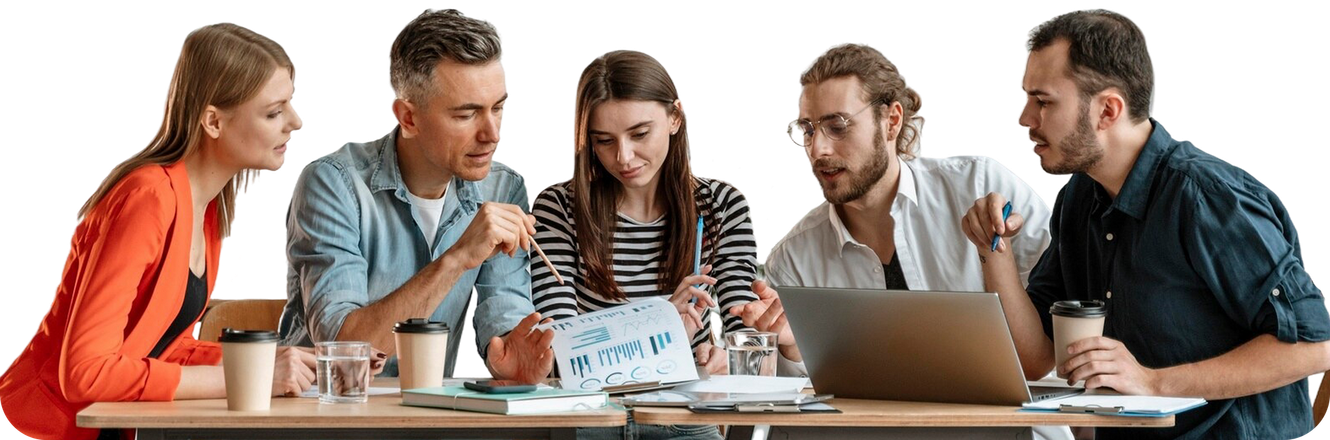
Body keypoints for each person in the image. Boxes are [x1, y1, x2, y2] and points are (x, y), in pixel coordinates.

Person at [960, 8, 1330, 439]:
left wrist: (1154, 384)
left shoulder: (1206, 197)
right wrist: (993, 248)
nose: (1025, 118)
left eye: (1043, 101)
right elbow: (1035, 357)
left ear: (1108, 110)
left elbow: (1314, 346)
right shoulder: (1079, 198)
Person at [729, 42, 1070, 440]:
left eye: (837, 126)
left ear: (891, 121)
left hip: (1007, 430)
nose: (818, 149)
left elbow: (1064, 321)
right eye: (807, 130)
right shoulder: (793, 259)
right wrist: (790, 349)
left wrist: (998, 255)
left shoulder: (981, 186)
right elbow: (784, 413)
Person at [0, 22, 315, 440]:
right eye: (274, 112)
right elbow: (85, 372)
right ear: (213, 121)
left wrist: (273, 361)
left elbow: (161, 348)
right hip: (43, 428)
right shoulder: (148, 198)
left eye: (290, 105)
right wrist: (250, 378)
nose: (296, 122)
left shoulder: (205, 209)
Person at [278, 8, 553, 384]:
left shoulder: (503, 188)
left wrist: (510, 351)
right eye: (466, 115)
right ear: (408, 117)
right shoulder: (334, 184)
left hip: (427, 409)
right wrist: (456, 259)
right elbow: (343, 351)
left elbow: (505, 310)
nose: (492, 134)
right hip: (328, 405)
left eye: (498, 107)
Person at [530, 49, 760, 440]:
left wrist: (728, 358)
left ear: (675, 118)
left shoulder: (722, 205)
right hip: (589, 416)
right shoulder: (559, 208)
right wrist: (661, 325)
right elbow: (561, 349)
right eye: (604, 141)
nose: (623, 157)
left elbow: (745, 329)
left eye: (639, 134)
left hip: (682, 414)